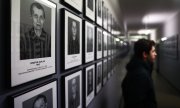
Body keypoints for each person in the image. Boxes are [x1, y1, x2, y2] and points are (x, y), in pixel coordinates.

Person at [122, 39, 157, 108]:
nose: (155, 54)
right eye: (153, 51)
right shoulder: (140, 75)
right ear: (144, 54)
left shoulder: (141, 69)